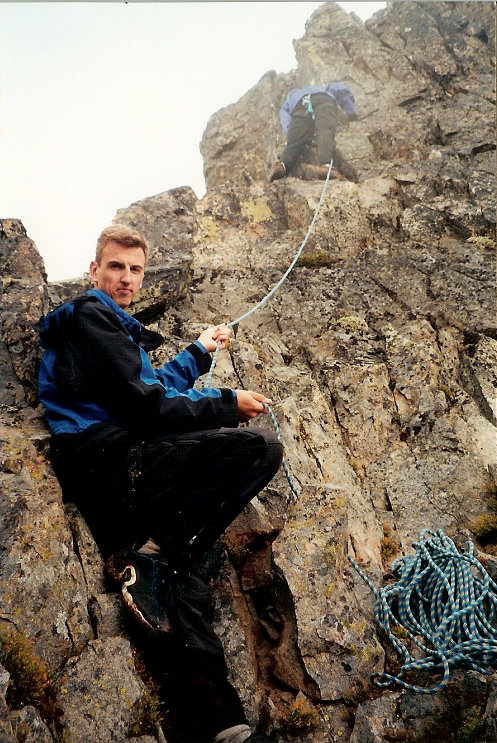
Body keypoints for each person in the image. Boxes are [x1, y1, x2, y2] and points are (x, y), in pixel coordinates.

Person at [37, 224, 283, 743]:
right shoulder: (90, 316)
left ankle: (221, 725)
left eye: (136, 269)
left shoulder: (110, 330)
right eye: (116, 267)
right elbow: (145, 407)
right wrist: (225, 402)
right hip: (107, 461)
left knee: (181, 581)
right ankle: (153, 556)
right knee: (258, 448)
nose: (126, 278)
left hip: (119, 468)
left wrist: (199, 351)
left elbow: (148, 387)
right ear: (94, 270)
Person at [270, 82, 359, 182]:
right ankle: (326, 165)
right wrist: (351, 113)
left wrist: (291, 131)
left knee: (294, 141)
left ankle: (282, 165)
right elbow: (340, 88)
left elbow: (284, 112)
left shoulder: (292, 95)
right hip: (324, 100)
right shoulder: (323, 88)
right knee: (325, 131)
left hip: (301, 105)